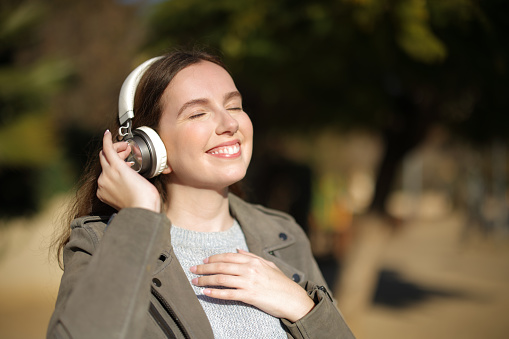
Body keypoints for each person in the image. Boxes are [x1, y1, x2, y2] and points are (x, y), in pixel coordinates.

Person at [47, 49, 355, 339]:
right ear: (147, 146)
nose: (230, 123)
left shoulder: (284, 235)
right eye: (198, 113)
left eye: (234, 106)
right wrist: (138, 216)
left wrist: (302, 306)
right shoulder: (100, 241)